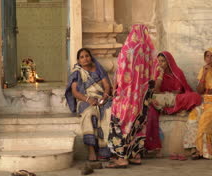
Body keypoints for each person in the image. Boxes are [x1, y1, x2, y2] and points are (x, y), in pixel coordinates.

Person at [107, 24, 155, 168]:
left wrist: (116, 89)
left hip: (126, 96)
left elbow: (121, 72)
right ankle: (135, 155)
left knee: (121, 123)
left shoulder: (128, 48)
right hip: (141, 97)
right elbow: (153, 74)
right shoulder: (149, 50)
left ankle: (121, 158)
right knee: (138, 123)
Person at [145, 51, 202, 158]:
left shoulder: (177, 72)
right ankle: (172, 108)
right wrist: (161, 75)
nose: (160, 63)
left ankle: (174, 108)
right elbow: (156, 91)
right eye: (159, 61)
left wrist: (175, 93)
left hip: (175, 99)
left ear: (169, 61)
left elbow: (184, 90)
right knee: (153, 99)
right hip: (161, 99)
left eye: (163, 61)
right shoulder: (157, 72)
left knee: (195, 96)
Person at [65, 48, 112, 161]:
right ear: (78, 60)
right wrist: (88, 99)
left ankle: (106, 150)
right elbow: (75, 92)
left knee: (109, 111)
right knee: (89, 113)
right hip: (85, 100)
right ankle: (91, 151)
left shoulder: (98, 69)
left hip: (101, 98)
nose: (85, 58)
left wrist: (105, 96)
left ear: (91, 57)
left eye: (87, 56)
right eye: (82, 57)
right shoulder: (77, 72)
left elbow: (107, 86)